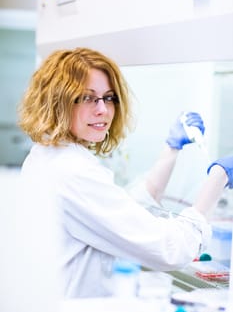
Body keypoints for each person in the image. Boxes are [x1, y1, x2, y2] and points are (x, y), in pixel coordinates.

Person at [18, 47, 233, 298]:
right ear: (57, 102)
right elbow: (169, 249)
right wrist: (219, 177)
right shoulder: (72, 171)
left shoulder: (49, 155)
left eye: (109, 97)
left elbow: (118, 213)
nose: (103, 110)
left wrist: (171, 149)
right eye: (87, 97)